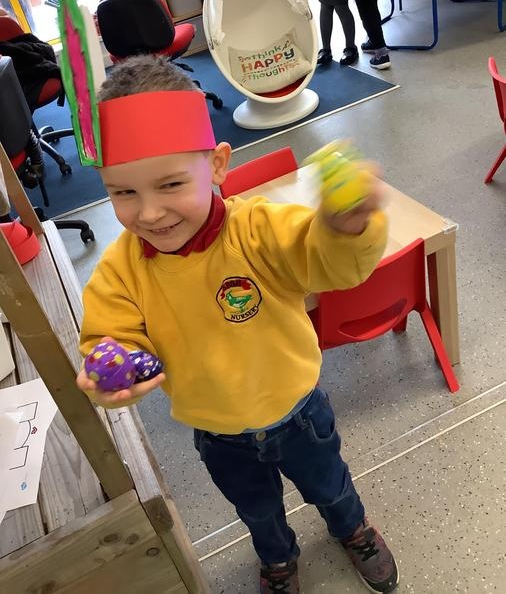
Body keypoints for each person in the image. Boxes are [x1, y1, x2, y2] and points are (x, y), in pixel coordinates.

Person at [76, 54, 399, 594]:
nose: (149, 213)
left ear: (218, 165)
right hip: (218, 432)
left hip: (298, 410)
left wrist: (345, 228)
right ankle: (278, 560)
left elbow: (330, 264)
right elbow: (111, 335)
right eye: (123, 192)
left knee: (331, 486)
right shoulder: (120, 270)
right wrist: (111, 368)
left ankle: (354, 529)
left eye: (170, 184)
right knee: (257, 511)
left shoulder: (260, 230)